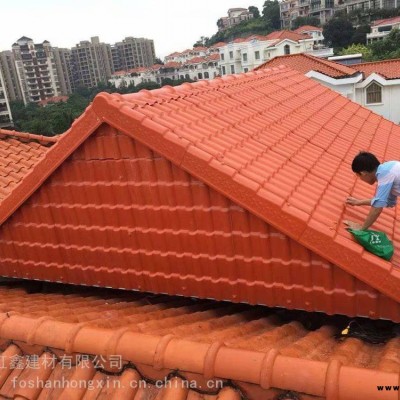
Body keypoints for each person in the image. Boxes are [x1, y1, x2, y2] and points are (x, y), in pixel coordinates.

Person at [345, 151, 400, 230]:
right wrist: (358, 202)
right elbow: (389, 202)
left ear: (363, 173)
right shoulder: (389, 168)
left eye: (359, 176)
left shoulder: (385, 175)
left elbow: (377, 207)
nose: (361, 179)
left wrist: (361, 229)